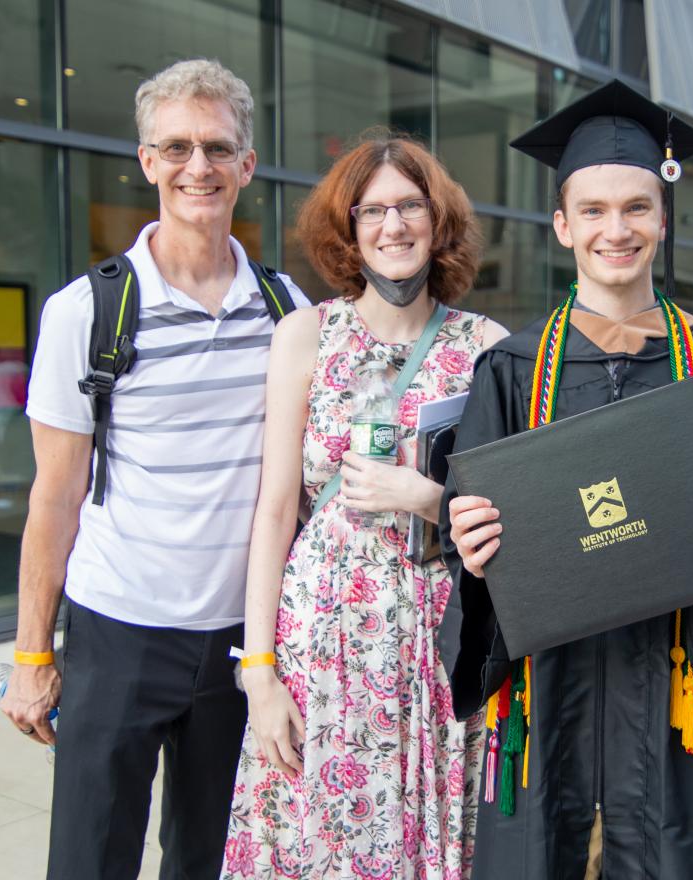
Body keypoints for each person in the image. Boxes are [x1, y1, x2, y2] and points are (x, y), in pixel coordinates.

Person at [442, 80, 693, 879]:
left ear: (663, 219)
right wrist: (471, 544)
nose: (615, 229)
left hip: (678, 689)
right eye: (592, 210)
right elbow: (478, 542)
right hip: (549, 696)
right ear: (562, 226)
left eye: (635, 208)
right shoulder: (511, 371)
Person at [0, 59, 311, 879]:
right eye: (175, 148)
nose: (196, 167)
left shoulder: (292, 314)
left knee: (209, 862)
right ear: (147, 162)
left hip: (243, 645)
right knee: (89, 858)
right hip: (118, 633)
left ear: (248, 165)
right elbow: (54, 498)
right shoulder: (85, 313)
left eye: (217, 148)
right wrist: (35, 655)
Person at [222, 133, 503, 879]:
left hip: (439, 642)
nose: (393, 225)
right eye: (372, 209)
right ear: (347, 229)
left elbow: (515, 511)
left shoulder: (487, 347)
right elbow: (277, 509)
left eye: (410, 205)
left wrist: (429, 498)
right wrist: (259, 674)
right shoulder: (305, 335)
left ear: (437, 220)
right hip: (324, 642)